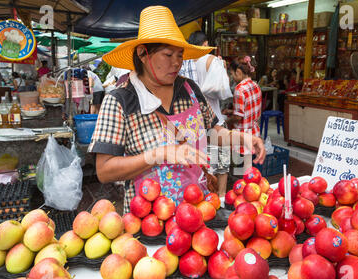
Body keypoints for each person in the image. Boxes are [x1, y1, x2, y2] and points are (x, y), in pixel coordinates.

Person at [88, 6, 265, 213]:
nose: (176, 63)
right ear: (143, 53)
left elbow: (212, 131)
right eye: (168, 54)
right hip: (149, 220)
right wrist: (161, 153)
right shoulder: (119, 101)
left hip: (198, 211)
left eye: (180, 55)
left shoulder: (189, 89)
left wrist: (240, 138)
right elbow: (104, 170)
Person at [187, 30, 232, 197]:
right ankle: (219, 198)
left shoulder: (182, 63)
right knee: (221, 163)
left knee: (201, 163)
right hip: (214, 120)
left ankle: (203, 197)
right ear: (205, 44)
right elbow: (223, 92)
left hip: (192, 122)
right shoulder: (212, 61)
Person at [226, 56, 262, 173]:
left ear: (239, 72)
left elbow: (238, 117)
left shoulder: (239, 89)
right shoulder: (255, 85)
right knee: (250, 166)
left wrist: (226, 122)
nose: (232, 77)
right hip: (254, 131)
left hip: (243, 135)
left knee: (245, 169)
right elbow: (249, 109)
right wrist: (231, 111)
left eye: (232, 74)